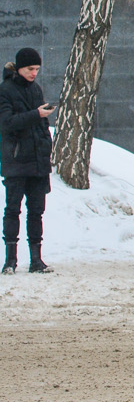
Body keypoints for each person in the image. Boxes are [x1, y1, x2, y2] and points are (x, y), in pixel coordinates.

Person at [0, 48, 54, 275]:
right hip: (16, 160)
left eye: (37, 69)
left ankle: (36, 260)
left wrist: (46, 146)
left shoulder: (36, 89)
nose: (34, 73)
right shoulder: (5, 90)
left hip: (37, 161)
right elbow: (7, 123)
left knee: (36, 211)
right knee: (13, 210)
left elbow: (39, 125)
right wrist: (37, 115)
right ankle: (10, 261)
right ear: (20, 68)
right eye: (30, 69)